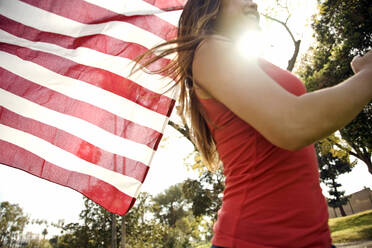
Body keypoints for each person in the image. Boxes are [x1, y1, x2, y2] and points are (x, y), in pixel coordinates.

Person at [133, 0, 372, 247]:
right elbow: (294, 124)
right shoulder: (209, 50)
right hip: (253, 240)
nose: (254, 3)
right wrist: (368, 76)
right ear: (211, 5)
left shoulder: (240, 60)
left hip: (315, 240)